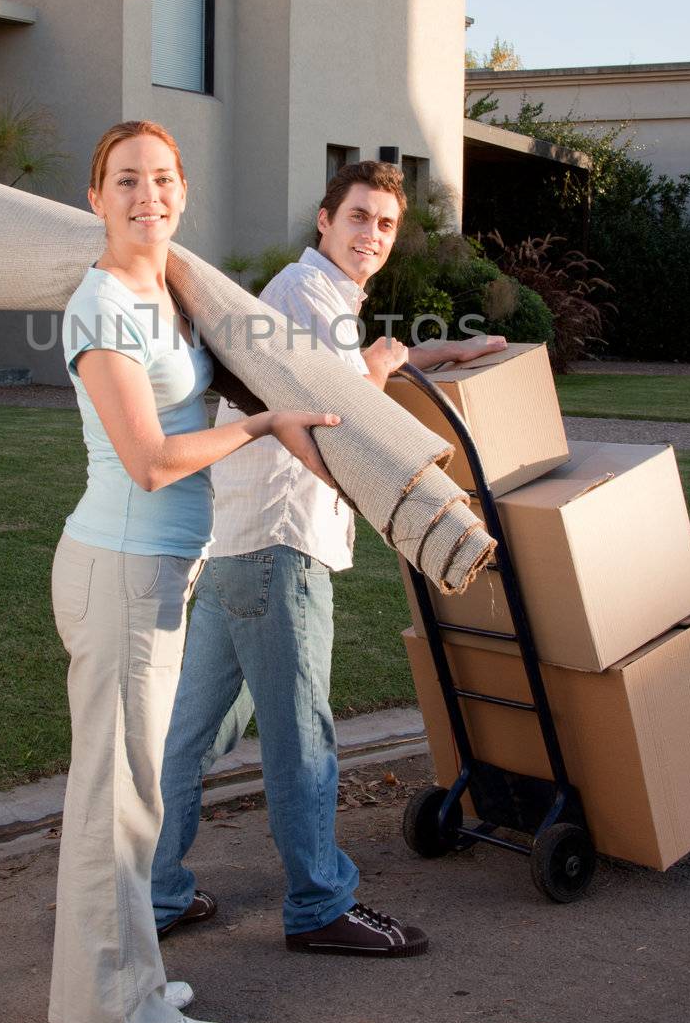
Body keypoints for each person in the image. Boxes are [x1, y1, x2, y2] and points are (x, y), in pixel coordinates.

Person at [152, 160, 506, 956]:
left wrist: (438, 352)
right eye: (357, 218)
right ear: (324, 220)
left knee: (190, 735)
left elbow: (357, 368)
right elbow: (339, 415)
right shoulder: (300, 295)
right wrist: (381, 369)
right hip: (281, 547)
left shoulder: (316, 297)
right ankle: (319, 907)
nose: (370, 236)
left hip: (242, 545)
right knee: (301, 736)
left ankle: (153, 891)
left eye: (384, 224)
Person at [48, 119, 341, 1023]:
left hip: (158, 570)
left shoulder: (166, 288)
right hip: (123, 569)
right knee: (119, 805)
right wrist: (261, 432)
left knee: (122, 799)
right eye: (126, 181)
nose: (149, 197)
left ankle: (108, 988)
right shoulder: (103, 308)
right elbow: (150, 459)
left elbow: (248, 364)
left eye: (164, 180)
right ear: (94, 197)